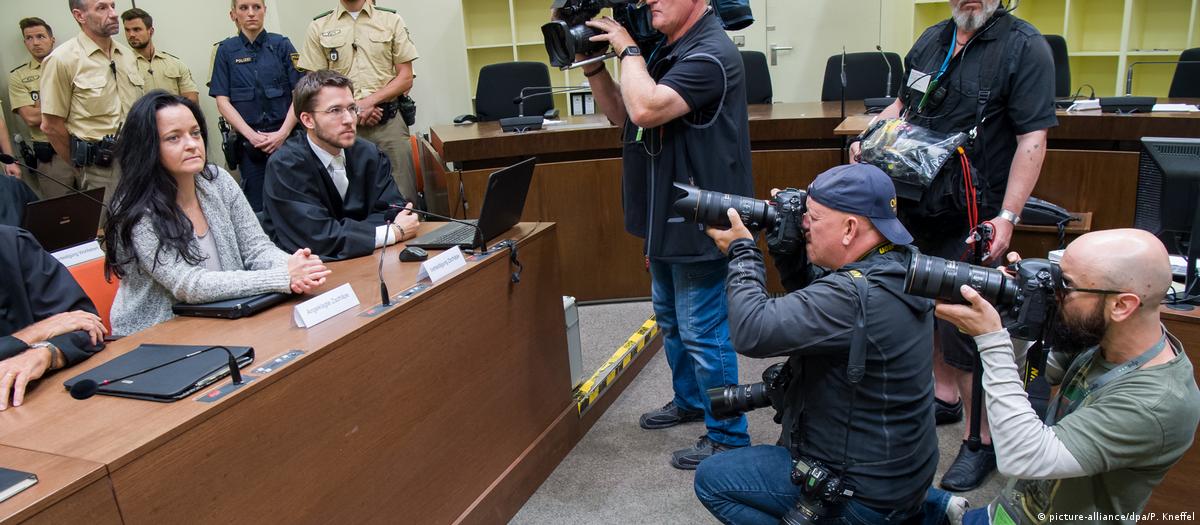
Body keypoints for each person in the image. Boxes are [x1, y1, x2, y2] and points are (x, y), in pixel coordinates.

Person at [852, 0, 1058, 491]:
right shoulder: (932, 39)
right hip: (918, 201)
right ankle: (944, 396)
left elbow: (1033, 138)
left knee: (966, 326)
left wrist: (1007, 217)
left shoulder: (1024, 47)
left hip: (973, 213)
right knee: (925, 304)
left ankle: (980, 441)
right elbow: (904, 106)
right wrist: (872, 134)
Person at [694, 164, 938, 524]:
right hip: (900, 475)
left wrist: (743, 252)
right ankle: (934, 506)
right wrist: (789, 252)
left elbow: (751, 331)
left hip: (861, 493)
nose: (803, 224)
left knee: (712, 479)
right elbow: (818, 307)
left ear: (850, 228)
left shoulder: (853, 296)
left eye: (813, 217)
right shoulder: (902, 264)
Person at [579, 0, 753, 469]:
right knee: (672, 320)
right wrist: (595, 65)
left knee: (703, 330)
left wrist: (627, 49)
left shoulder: (709, 53)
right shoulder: (665, 49)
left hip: (700, 220)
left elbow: (646, 109)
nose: (648, 1)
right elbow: (622, 115)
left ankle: (729, 436)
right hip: (666, 213)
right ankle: (691, 401)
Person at [926, 229, 1200, 524]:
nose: (1054, 292)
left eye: (1065, 284)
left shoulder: (1156, 403)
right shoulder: (1105, 336)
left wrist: (992, 339)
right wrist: (1016, 316)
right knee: (892, 495)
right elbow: (1027, 376)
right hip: (1007, 512)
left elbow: (1024, 458)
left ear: (1122, 305)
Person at [102, 91, 331, 336]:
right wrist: (282, 277)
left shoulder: (217, 180)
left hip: (224, 316)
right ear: (147, 147)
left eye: (195, 133)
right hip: (156, 334)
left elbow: (256, 249)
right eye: (173, 138)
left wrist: (296, 266)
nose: (192, 144)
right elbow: (188, 284)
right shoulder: (135, 209)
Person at [261, 70, 418, 262]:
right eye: (335, 110)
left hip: (371, 259)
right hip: (310, 271)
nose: (349, 120)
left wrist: (348, 234)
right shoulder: (285, 166)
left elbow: (394, 210)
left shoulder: (368, 153)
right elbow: (316, 238)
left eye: (352, 108)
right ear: (308, 120)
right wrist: (391, 233)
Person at [300, 0, 419, 202]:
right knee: (350, 198)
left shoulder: (391, 20)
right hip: (341, 127)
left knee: (403, 196)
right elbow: (315, 85)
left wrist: (367, 103)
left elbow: (405, 77)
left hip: (388, 123)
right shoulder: (319, 26)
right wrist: (354, 109)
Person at [40, 0, 145, 215]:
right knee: (110, 227)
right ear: (80, 16)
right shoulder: (62, 60)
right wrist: (80, 167)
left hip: (139, 157)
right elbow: (51, 126)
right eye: (102, 8)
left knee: (147, 221)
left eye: (113, 6)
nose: (113, 14)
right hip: (101, 168)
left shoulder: (127, 55)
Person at [0, 224, 106, 411]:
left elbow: (85, 323)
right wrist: (35, 333)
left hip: (41, 395)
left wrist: (46, 352)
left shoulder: (13, 242)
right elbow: (54, 325)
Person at [210, 0, 303, 212]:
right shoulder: (225, 51)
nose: (251, 13)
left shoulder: (282, 45)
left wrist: (282, 133)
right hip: (250, 147)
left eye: (256, 7)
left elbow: (300, 94)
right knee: (259, 208)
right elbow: (222, 102)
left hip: (287, 140)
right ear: (233, 14)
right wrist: (252, 136)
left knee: (298, 203)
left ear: (264, 11)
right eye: (244, 8)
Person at [9, 17, 80, 199]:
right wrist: (67, 103)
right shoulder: (18, 77)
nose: (35, 43)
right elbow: (30, 117)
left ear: (52, 39)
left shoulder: (73, 65)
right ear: (25, 42)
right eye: (29, 38)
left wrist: (45, 107)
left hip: (82, 147)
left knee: (101, 206)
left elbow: (88, 105)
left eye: (40, 36)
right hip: (51, 157)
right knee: (61, 211)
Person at [121, 8, 199, 104]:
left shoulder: (175, 64)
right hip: (142, 114)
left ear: (151, 31)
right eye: (127, 30)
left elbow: (192, 100)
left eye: (136, 29)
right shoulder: (122, 66)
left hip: (173, 113)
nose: (131, 34)